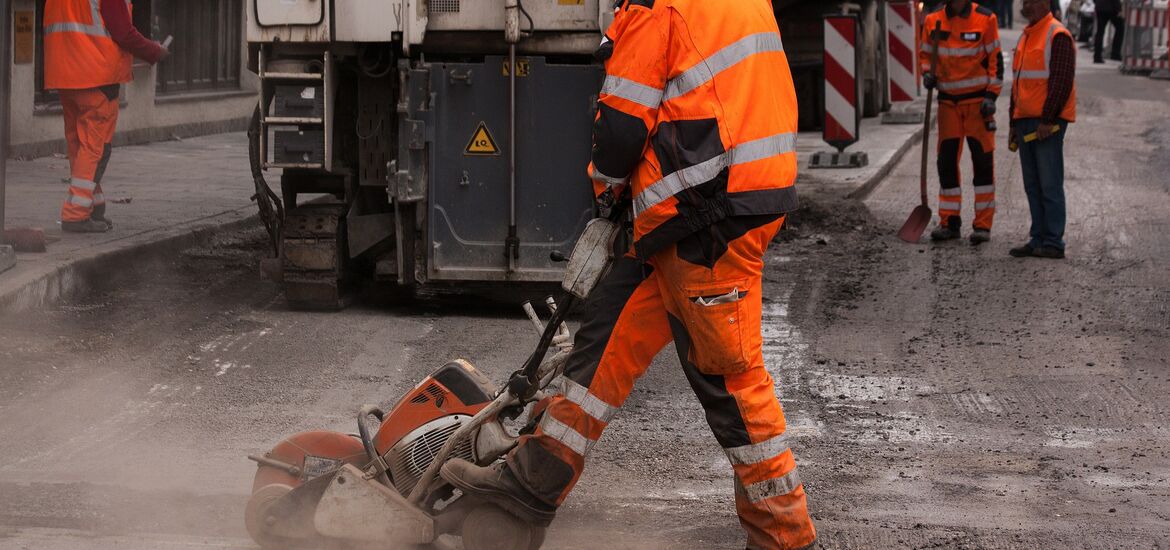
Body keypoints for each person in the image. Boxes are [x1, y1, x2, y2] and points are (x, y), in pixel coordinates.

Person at [440, 0, 817, 548]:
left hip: (705, 212)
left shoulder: (655, 7)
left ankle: (786, 537)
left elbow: (620, 130)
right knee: (602, 341)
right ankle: (529, 485)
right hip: (705, 204)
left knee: (728, 379)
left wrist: (607, 195)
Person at [44, 0, 168, 233]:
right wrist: (154, 51)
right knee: (95, 147)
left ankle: (92, 203)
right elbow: (123, 32)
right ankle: (75, 214)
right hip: (97, 75)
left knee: (78, 145)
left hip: (64, 74)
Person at [920, 0, 1004, 244]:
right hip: (948, 104)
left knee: (982, 163)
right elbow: (926, 54)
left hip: (978, 105)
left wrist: (991, 95)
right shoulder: (933, 20)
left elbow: (995, 62)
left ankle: (983, 225)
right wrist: (927, 73)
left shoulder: (986, 20)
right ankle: (949, 222)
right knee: (946, 163)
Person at [1008, 0, 1077, 259]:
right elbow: (1018, 83)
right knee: (1033, 184)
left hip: (1046, 122)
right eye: (1025, 2)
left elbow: (1061, 81)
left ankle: (1053, 242)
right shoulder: (1027, 36)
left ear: (1044, 3)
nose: (1026, 6)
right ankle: (1038, 237)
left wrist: (1048, 120)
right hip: (1026, 120)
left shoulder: (1057, 34)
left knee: (1049, 183)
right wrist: (1013, 123)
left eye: (1031, 2)